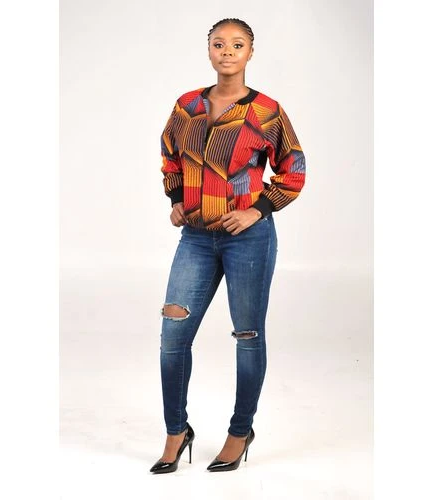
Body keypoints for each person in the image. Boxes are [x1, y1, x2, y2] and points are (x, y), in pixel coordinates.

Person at [149, 18, 306, 474]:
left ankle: (240, 432)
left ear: (251, 52)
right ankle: (176, 432)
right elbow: (170, 157)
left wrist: (257, 210)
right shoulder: (187, 106)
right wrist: (177, 200)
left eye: (238, 45)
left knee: (248, 335)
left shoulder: (267, 112)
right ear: (209, 51)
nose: (227, 52)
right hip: (196, 238)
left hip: (248, 240)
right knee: (173, 336)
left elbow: (294, 170)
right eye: (219, 44)